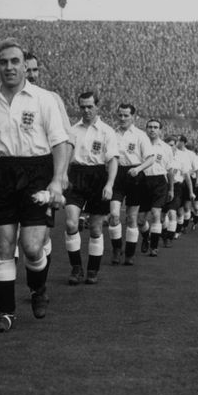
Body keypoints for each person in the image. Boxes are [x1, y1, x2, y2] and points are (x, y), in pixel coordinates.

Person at [0, 38, 71, 333]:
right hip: (0, 175)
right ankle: (6, 313)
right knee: (4, 246)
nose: (9, 67)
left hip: (36, 173)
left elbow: (60, 142)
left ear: (24, 66)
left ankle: (38, 289)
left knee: (31, 247)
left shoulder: (43, 99)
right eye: (3, 62)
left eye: (15, 61)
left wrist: (57, 178)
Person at [24, 51, 73, 272]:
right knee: (9, 235)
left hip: (41, 173)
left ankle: (38, 286)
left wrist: (61, 174)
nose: (32, 75)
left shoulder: (51, 98)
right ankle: (6, 286)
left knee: (40, 236)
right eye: (28, 69)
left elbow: (67, 138)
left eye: (35, 70)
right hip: (9, 174)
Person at [63, 91, 119, 285]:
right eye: (82, 107)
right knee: (71, 223)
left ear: (97, 107)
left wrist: (110, 184)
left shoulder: (107, 131)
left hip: (98, 176)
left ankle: (93, 269)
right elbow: (64, 156)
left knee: (95, 228)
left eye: (90, 106)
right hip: (75, 176)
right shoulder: (72, 130)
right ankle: (76, 268)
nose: (86, 110)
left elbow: (112, 160)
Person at [108, 103, 154, 266]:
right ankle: (116, 248)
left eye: (126, 115)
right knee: (114, 215)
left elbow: (151, 158)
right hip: (117, 175)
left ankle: (129, 254)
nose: (122, 118)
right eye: (120, 115)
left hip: (135, 176)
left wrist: (138, 168)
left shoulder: (140, 135)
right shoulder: (111, 134)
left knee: (131, 218)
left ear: (133, 116)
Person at [137, 119, 175, 258]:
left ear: (160, 130)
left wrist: (171, 189)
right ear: (146, 129)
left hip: (159, 181)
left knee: (156, 213)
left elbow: (170, 170)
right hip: (143, 181)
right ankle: (146, 237)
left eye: (155, 127)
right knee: (140, 220)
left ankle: (154, 247)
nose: (152, 129)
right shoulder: (140, 144)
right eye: (150, 127)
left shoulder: (166, 148)